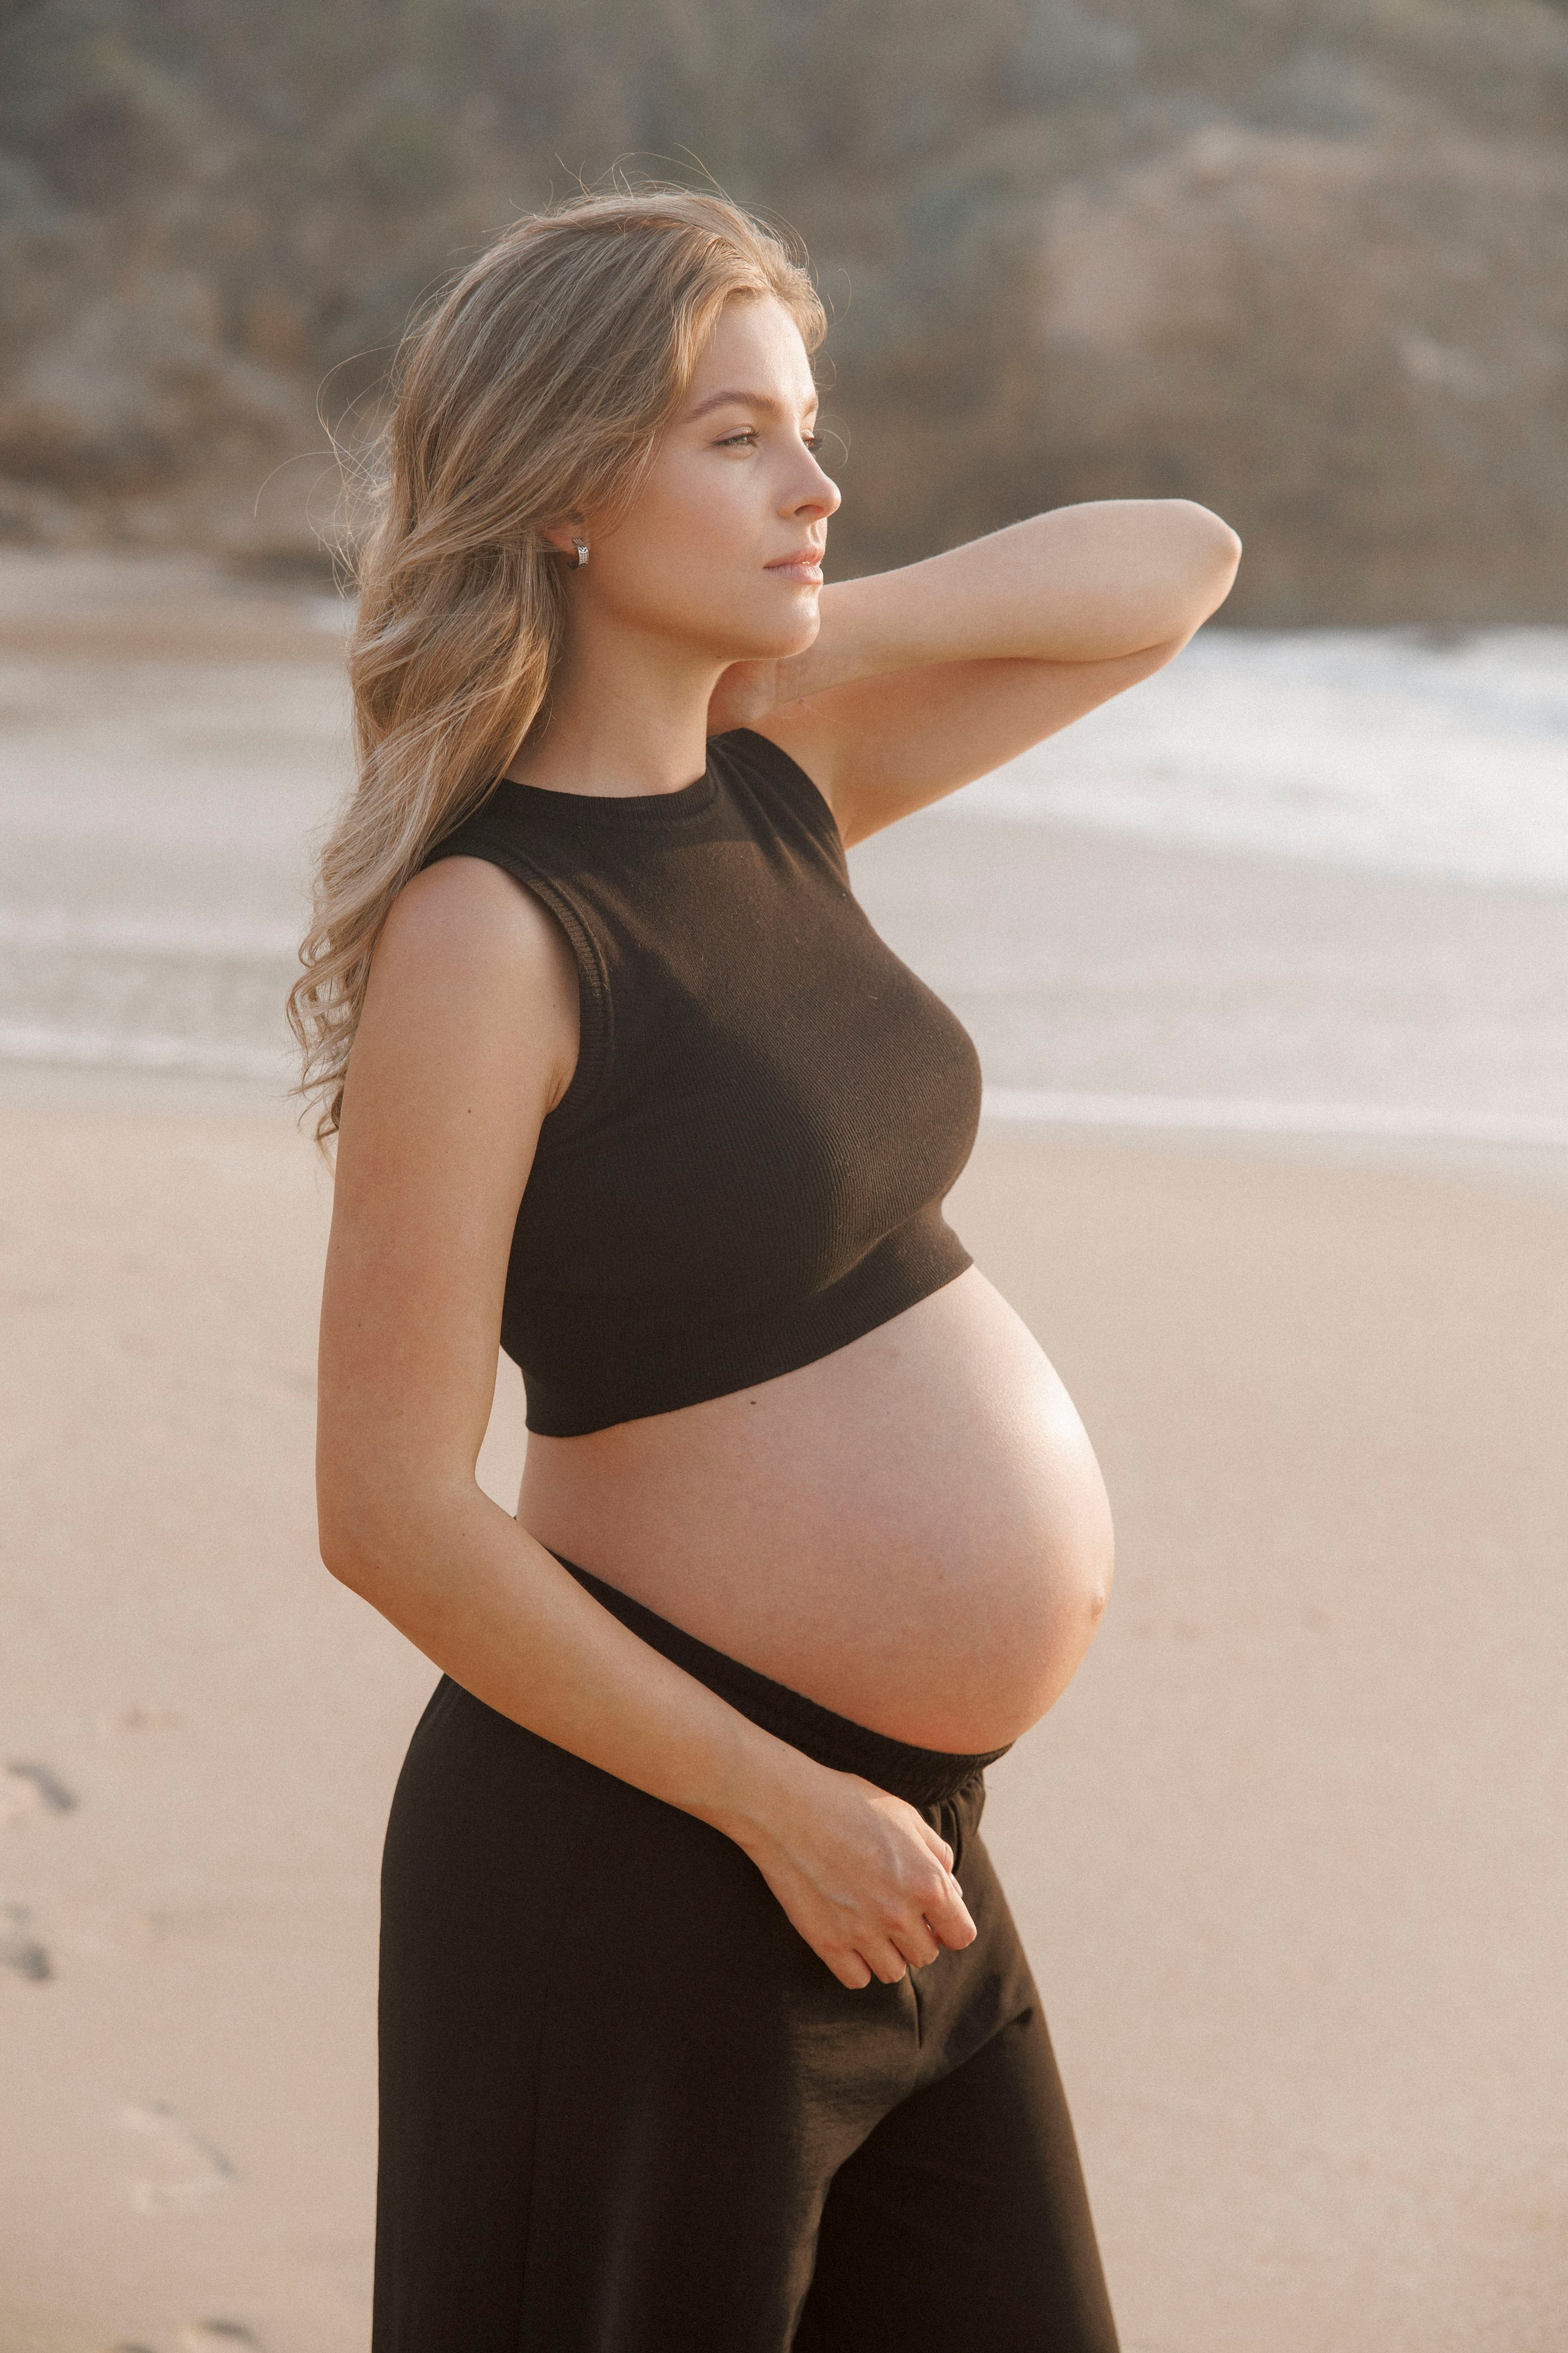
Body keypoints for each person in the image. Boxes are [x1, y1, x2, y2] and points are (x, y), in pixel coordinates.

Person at [293, 186, 1240, 2352]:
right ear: (559, 487)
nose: (814, 484)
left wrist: (784, 608)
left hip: (898, 1857)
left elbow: (1176, 562)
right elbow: (388, 1508)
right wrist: (776, 1805)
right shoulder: (491, 934)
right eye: (735, 438)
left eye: (807, 428)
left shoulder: (780, 796)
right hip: (649, 1858)